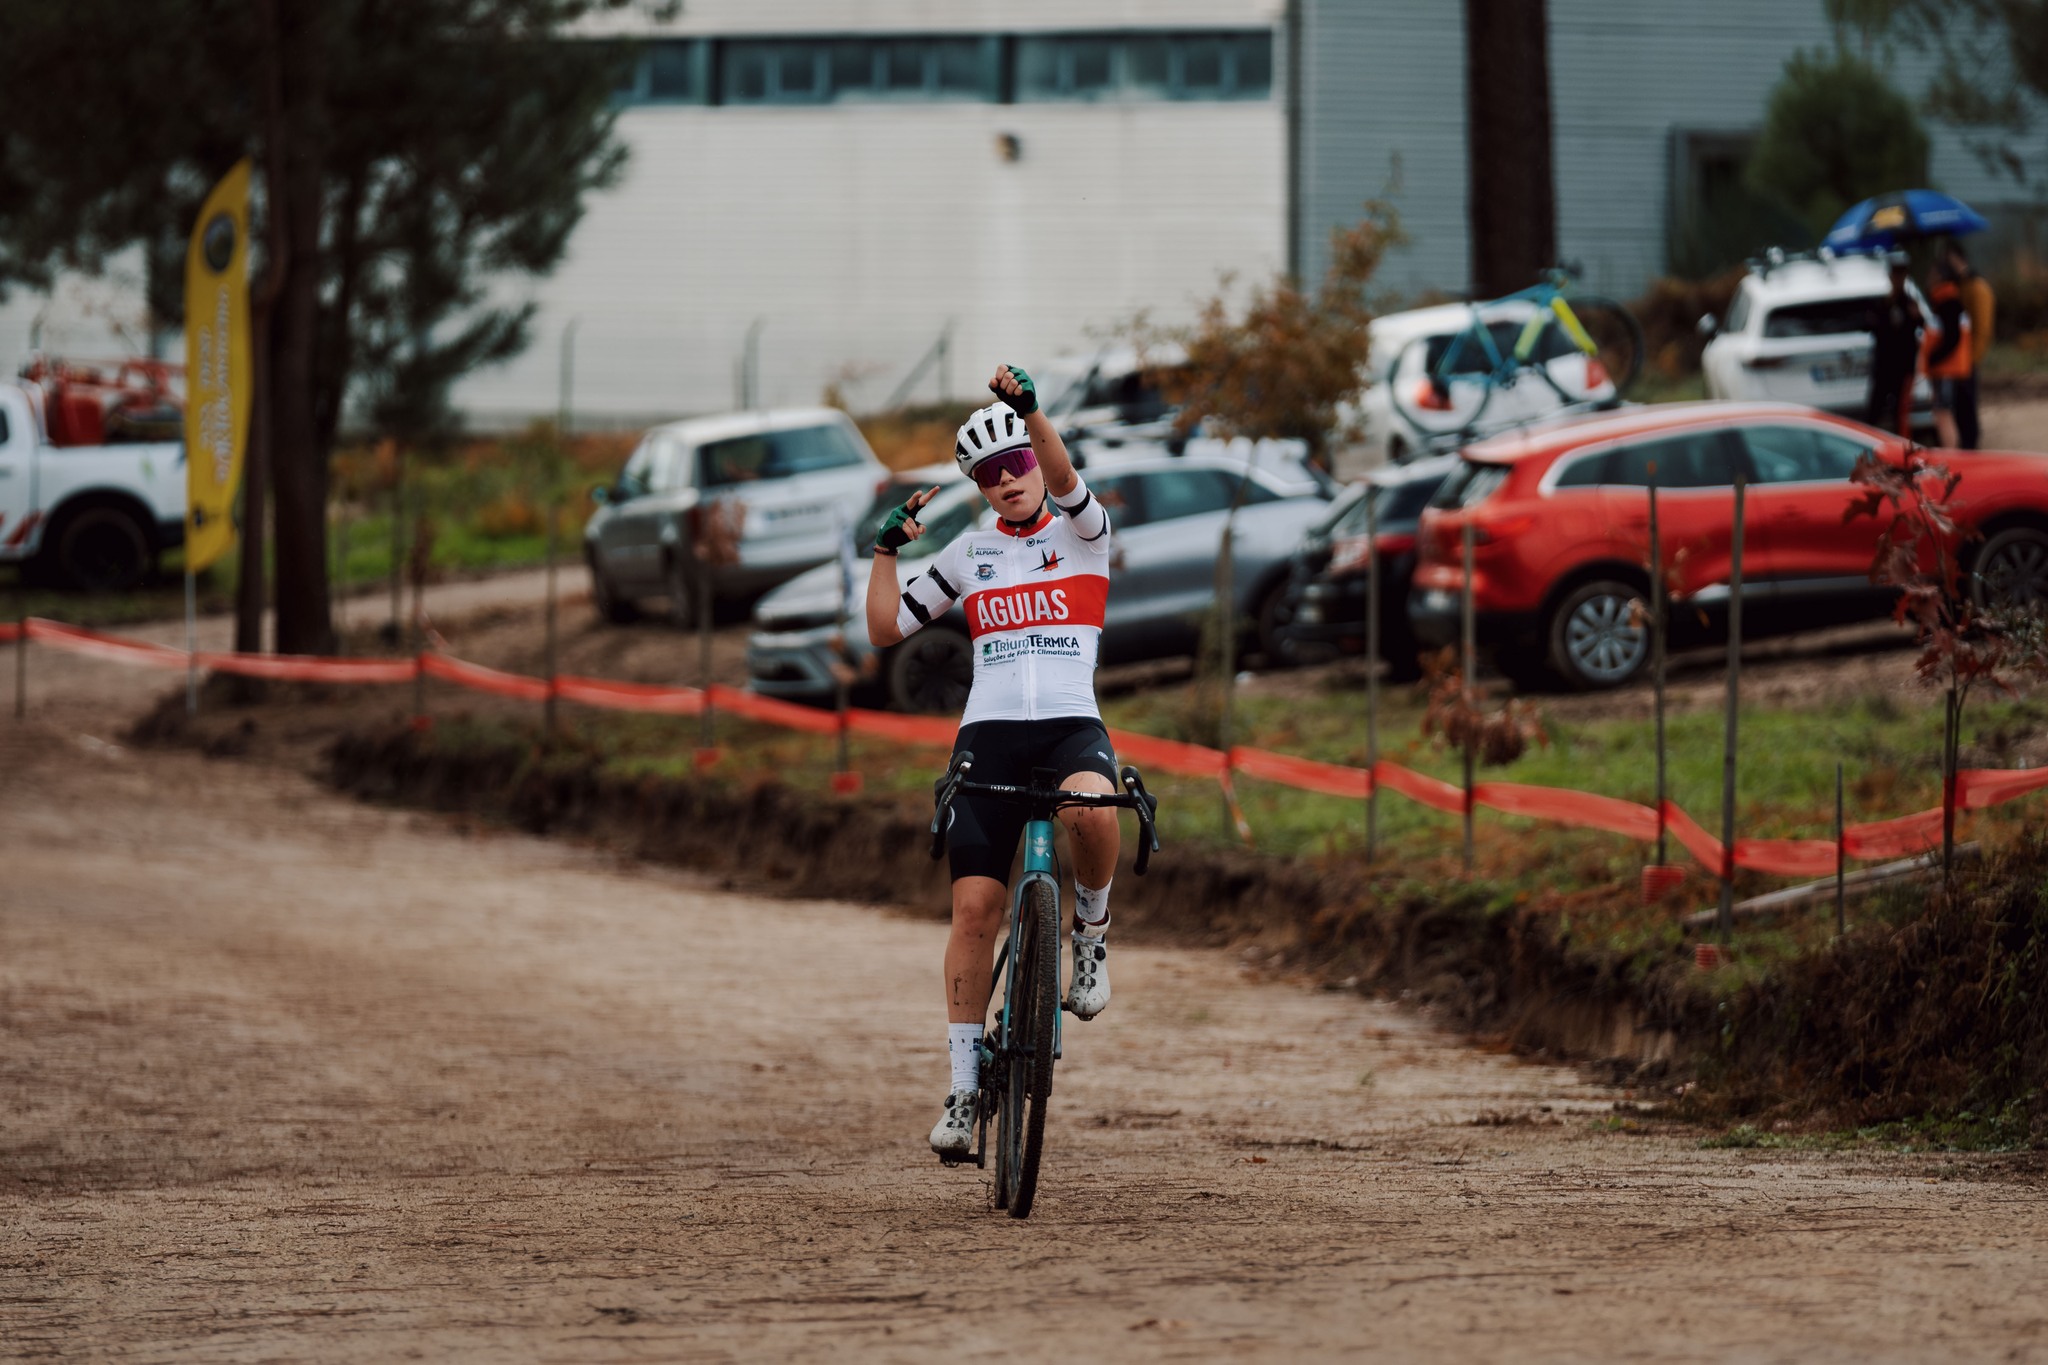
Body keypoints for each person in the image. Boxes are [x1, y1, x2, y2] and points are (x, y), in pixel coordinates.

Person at [865, 364, 1121, 1158]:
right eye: (989, 472)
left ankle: (1092, 937)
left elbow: (1070, 476)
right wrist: (884, 552)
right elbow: (885, 630)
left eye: (1016, 462)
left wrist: (1032, 414)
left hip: (1070, 726)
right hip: (989, 737)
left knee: (1091, 804)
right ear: (976, 485)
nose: (1008, 479)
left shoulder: (1084, 534)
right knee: (975, 911)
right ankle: (964, 1085)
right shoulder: (968, 553)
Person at [1944, 240, 1995, 450]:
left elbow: (1983, 328)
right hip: (1957, 361)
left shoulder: (1977, 287)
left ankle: (1971, 447)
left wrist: (1972, 359)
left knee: (1968, 409)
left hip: (1968, 361)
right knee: (1959, 409)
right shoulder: (1959, 286)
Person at [1867, 252, 1924, 438]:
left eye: (1901, 274)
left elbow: (1922, 326)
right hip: (1883, 366)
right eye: (1895, 274)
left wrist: (1916, 316)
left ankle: (1900, 448)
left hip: (1903, 367)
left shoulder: (1910, 303)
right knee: (1874, 411)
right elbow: (1872, 327)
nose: (1898, 278)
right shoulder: (1882, 303)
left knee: (1900, 414)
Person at [1924, 253, 1974, 449]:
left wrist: (1932, 359)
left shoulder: (1948, 302)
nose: (1929, 278)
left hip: (1946, 370)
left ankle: (1951, 455)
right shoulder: (1945, 302)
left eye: (1932, 274)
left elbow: (1951, 338)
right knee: (1946, 412)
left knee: (1943, 412)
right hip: (1947, 369)